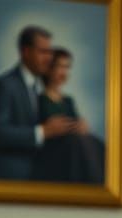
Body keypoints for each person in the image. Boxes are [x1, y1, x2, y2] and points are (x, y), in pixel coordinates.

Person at [0, 26, 75, 180]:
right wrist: (42, 132)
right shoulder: (5, 84)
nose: (49, 58)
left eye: (50, 52)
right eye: (43, 52)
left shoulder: (39, 86)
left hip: (42, 173)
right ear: (25, 52)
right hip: (14, 178)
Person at [32, 47, 105, 185]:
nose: (65, 72)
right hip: (54, 154)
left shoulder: (68, 101)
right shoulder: (38, 99)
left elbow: (76, 125)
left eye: (67, 67)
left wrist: (82, 126)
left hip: (74, 149)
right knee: (79, 142)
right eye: (60, 67)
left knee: (95, 142)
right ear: (49, 68)